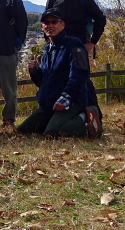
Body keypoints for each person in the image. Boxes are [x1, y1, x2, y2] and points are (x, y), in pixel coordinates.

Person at [17, 8, 102, 138]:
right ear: (42, 26)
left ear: (62, 25)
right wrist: (34, 71)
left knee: (54, 133)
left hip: (71, 102)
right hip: (50, 104)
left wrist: (66, 98)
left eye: (54, 22)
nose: (50, 25)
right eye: (46, 22)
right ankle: (54, 121)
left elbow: (79, 76)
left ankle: (85, 117)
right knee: (24, 130)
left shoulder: (74, 45)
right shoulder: (48, 49)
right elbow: (43, 82)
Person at [46, 0, 106, 124]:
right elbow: (47, 22)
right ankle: (63, 114)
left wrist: (92, 43)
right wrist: (48, 47)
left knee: (83, 81)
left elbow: (100, 19)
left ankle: (94, 116)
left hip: (78, 48)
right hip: (58, 49)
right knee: (59, 80)